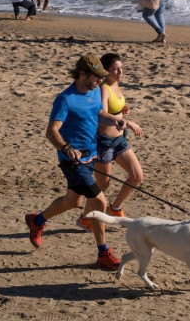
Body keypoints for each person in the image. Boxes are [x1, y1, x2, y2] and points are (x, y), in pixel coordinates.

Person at [25, 54, 123, 270]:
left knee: (73, 201)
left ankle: (37, 221)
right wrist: (67, 148)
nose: (100, 81)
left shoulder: (95, 91)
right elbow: (51, 131)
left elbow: (98, 112)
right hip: (72, 161)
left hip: (91, 155)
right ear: (82, 74)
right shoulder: (65, 99)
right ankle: (103, 252)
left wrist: (114, 119)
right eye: (96, 77)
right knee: (100, 202)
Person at [76, 53, 145, 231]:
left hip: (119, 140)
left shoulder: (115, 85)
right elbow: (102, 115)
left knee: (137, 176)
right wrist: (127, 121)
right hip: (104, 142)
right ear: (106, 70)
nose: (120, 72)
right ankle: (85, 218)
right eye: (115, 69)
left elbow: (115, 109)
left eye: (121, 68)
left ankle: (114, 208)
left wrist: (123, 111)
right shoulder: (103, 88)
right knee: (103, 185)